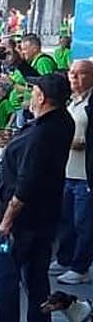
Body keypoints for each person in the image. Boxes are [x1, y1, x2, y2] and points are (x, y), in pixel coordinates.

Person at [0, 74, 75, 322]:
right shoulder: (62, 123)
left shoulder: (39, 136)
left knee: (6, 280)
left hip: (21, 223)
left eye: (33, 91)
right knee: (36, 280)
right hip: (45, 218)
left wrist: (7, 220)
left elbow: (26, 183)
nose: (30, 95)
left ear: (43, 98)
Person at [54, 60, 93, 285]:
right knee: (66, 219)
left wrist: (83, 143)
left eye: (81, 74)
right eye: (72, 73)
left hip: (85, 174)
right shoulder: (72, 101)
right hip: (67, 171)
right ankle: (65, 258)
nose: (74, 78)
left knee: (83, 222)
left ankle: (81, 266)